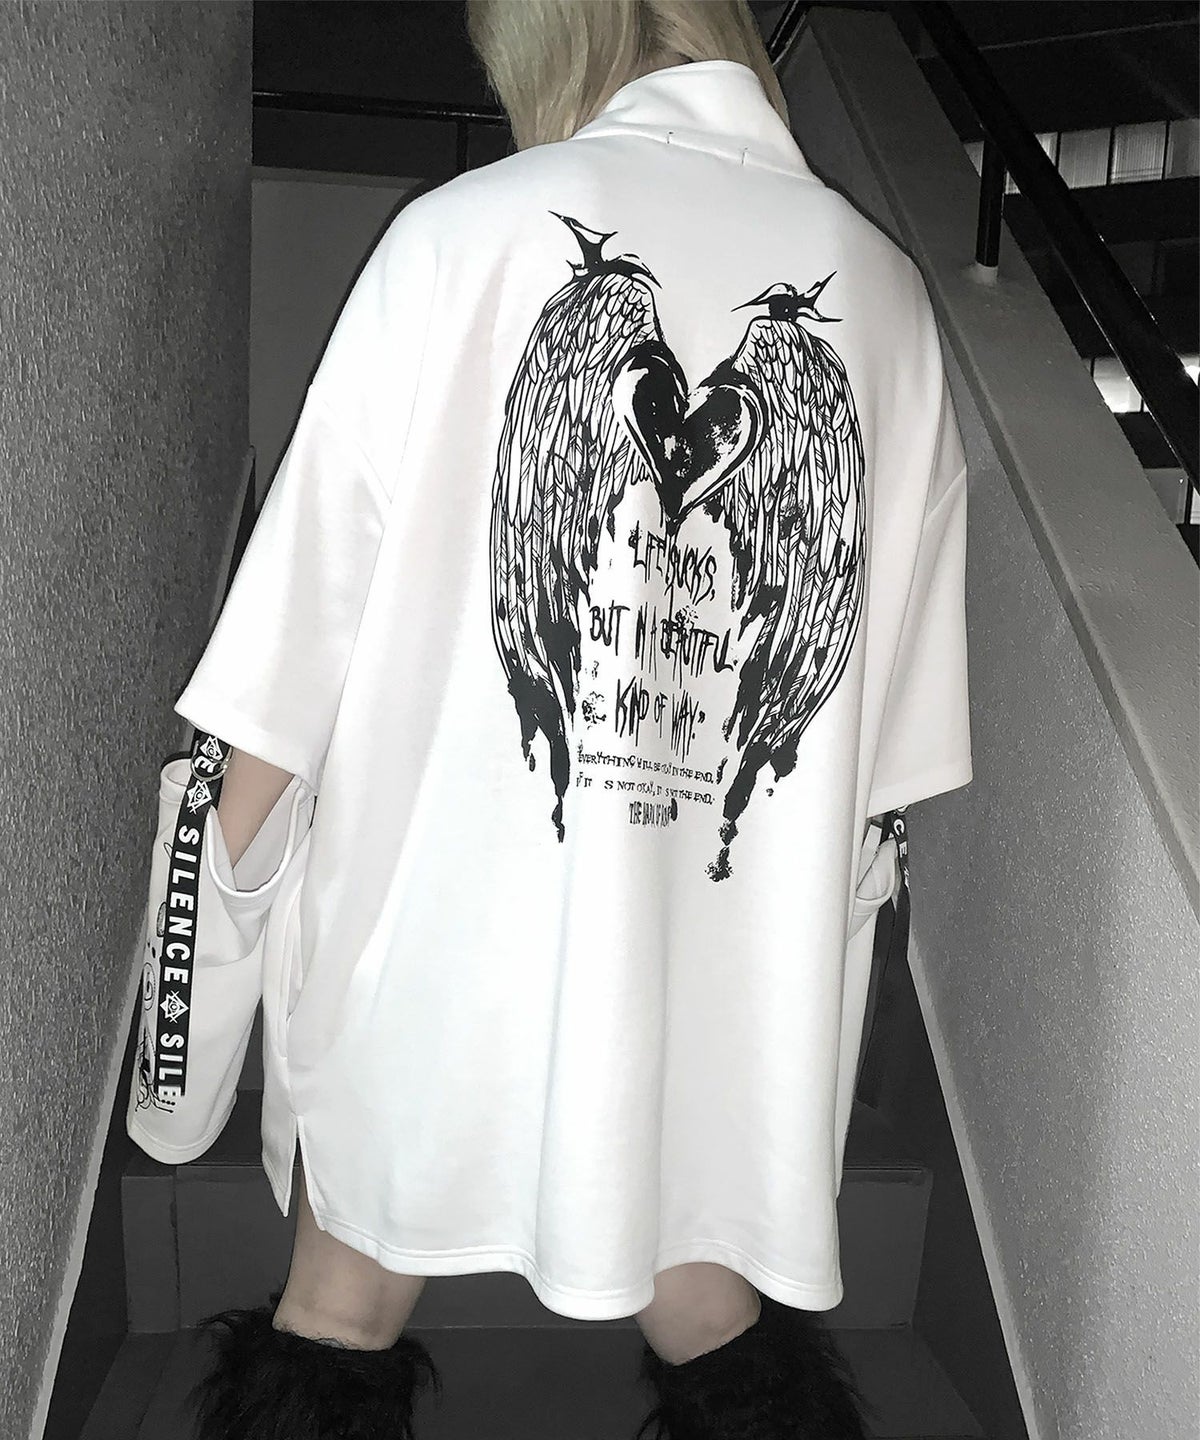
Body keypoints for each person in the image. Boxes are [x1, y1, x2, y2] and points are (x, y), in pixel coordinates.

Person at [129, 1, 973, 1435]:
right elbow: (877, 778)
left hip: (420, 961)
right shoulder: (886, 303)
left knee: (338, 1313)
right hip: (714, 987)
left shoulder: (458, 241)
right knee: (714, 1320)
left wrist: (181, 1048)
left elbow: (268, 708)